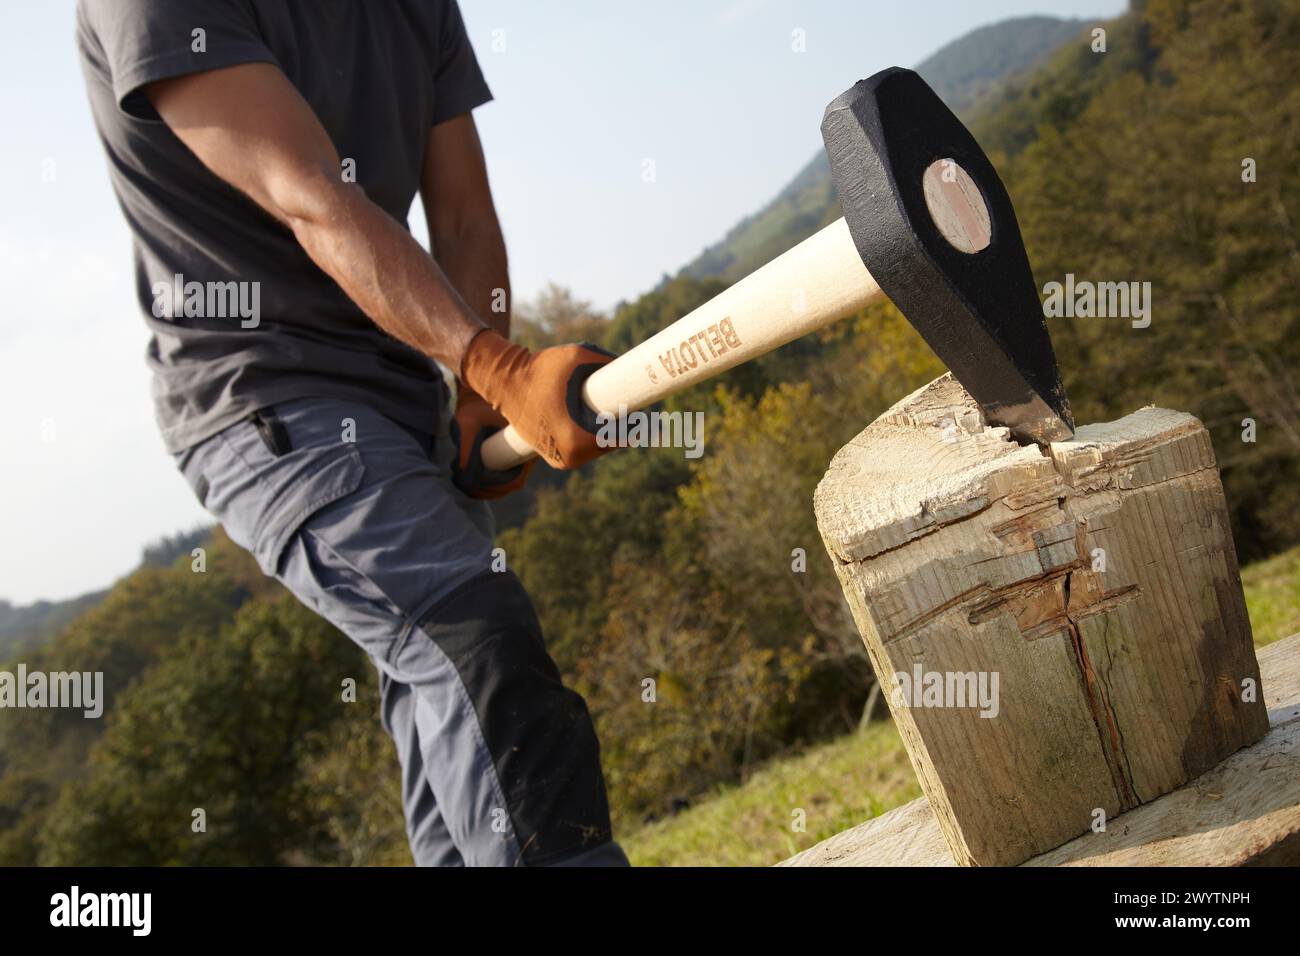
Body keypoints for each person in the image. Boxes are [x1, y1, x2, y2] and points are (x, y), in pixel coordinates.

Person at [77, 0, 628, 867]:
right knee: (472, 639)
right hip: (263, 400)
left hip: (402, 384)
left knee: (443, 695)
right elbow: (310, 193)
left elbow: (460, 206)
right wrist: (496, 368)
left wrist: (479, 391)